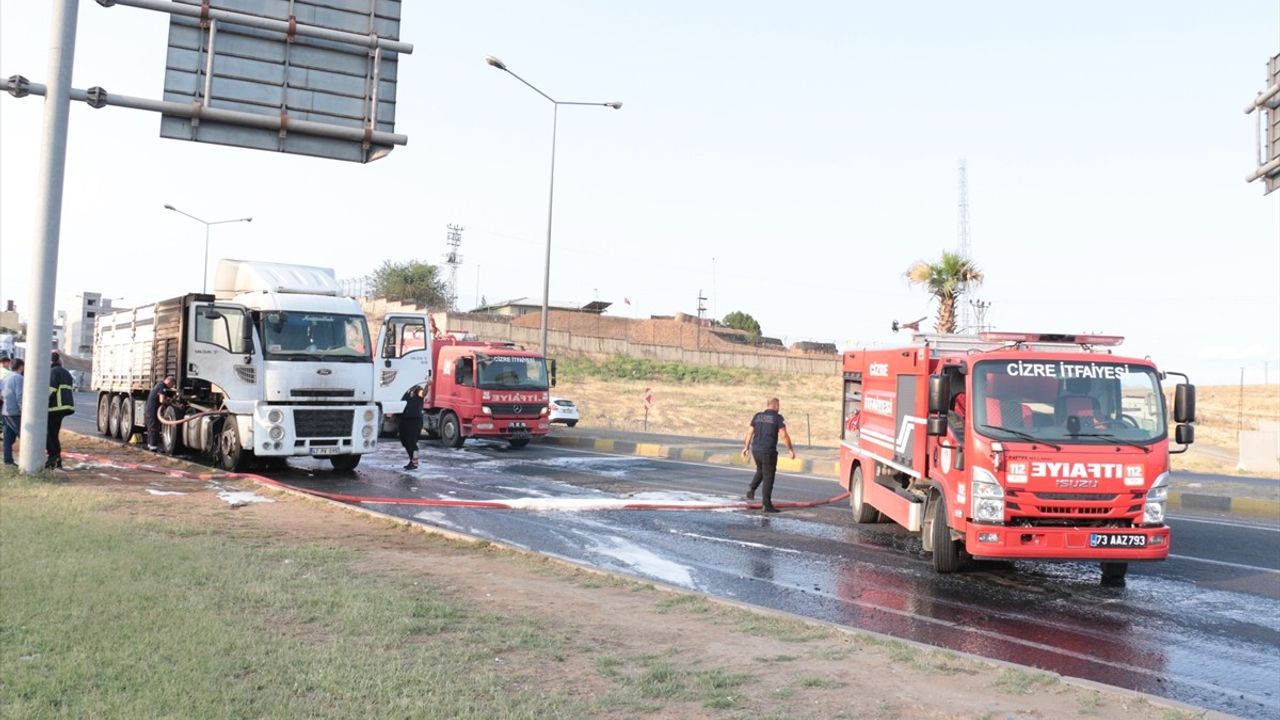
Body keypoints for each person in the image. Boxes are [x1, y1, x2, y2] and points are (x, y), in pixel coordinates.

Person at [741, 397, 795, 513]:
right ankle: (767, 505)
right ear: (776, 406)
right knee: (768, 477)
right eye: (779, 405)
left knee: (760, 470)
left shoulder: (757, 416)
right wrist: (790, 449)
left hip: (756, 449)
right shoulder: (777, 418)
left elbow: (750, 432)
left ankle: (752, 488)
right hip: (768, 451)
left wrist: (746, 447)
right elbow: (784, 435)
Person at [45, 352, 75, 469]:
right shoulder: (65, 372)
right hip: (63, 407)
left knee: (48, 434)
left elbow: (50, 390)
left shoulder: (53, 372)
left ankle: (53, 457)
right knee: (53, 434)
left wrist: (41, 404)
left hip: (54, 407)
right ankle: (57, 460)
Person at [2, 359, 25, 466]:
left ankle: (8, 462)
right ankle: (28, 462)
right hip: (15, 412)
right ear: (21, 367)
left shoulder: (6, 378)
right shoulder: (19, 378)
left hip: (5, 411)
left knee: (8, 439)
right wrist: (23, 410)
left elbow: (2, 394)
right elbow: (20, 395)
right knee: (25, 436)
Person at [397, 384, 426, 469]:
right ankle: (412, 460)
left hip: (414, 420)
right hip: (404, 419)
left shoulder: (417, 389)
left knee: (412, 442)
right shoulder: (405, 389)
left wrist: (428, 385)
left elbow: (423, 393)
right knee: (404, 440)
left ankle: (414, 462)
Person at [144, 375, 176, 451]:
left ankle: (150, 445)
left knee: (151, 428)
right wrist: (170, 403)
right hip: (153, 410)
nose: (171, 387)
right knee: (154, 428)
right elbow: (161, 400)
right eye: (172, 384)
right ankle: (153, 447)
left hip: (149, 409)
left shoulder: (158, 385)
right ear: (169, 381)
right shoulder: (162, 386)